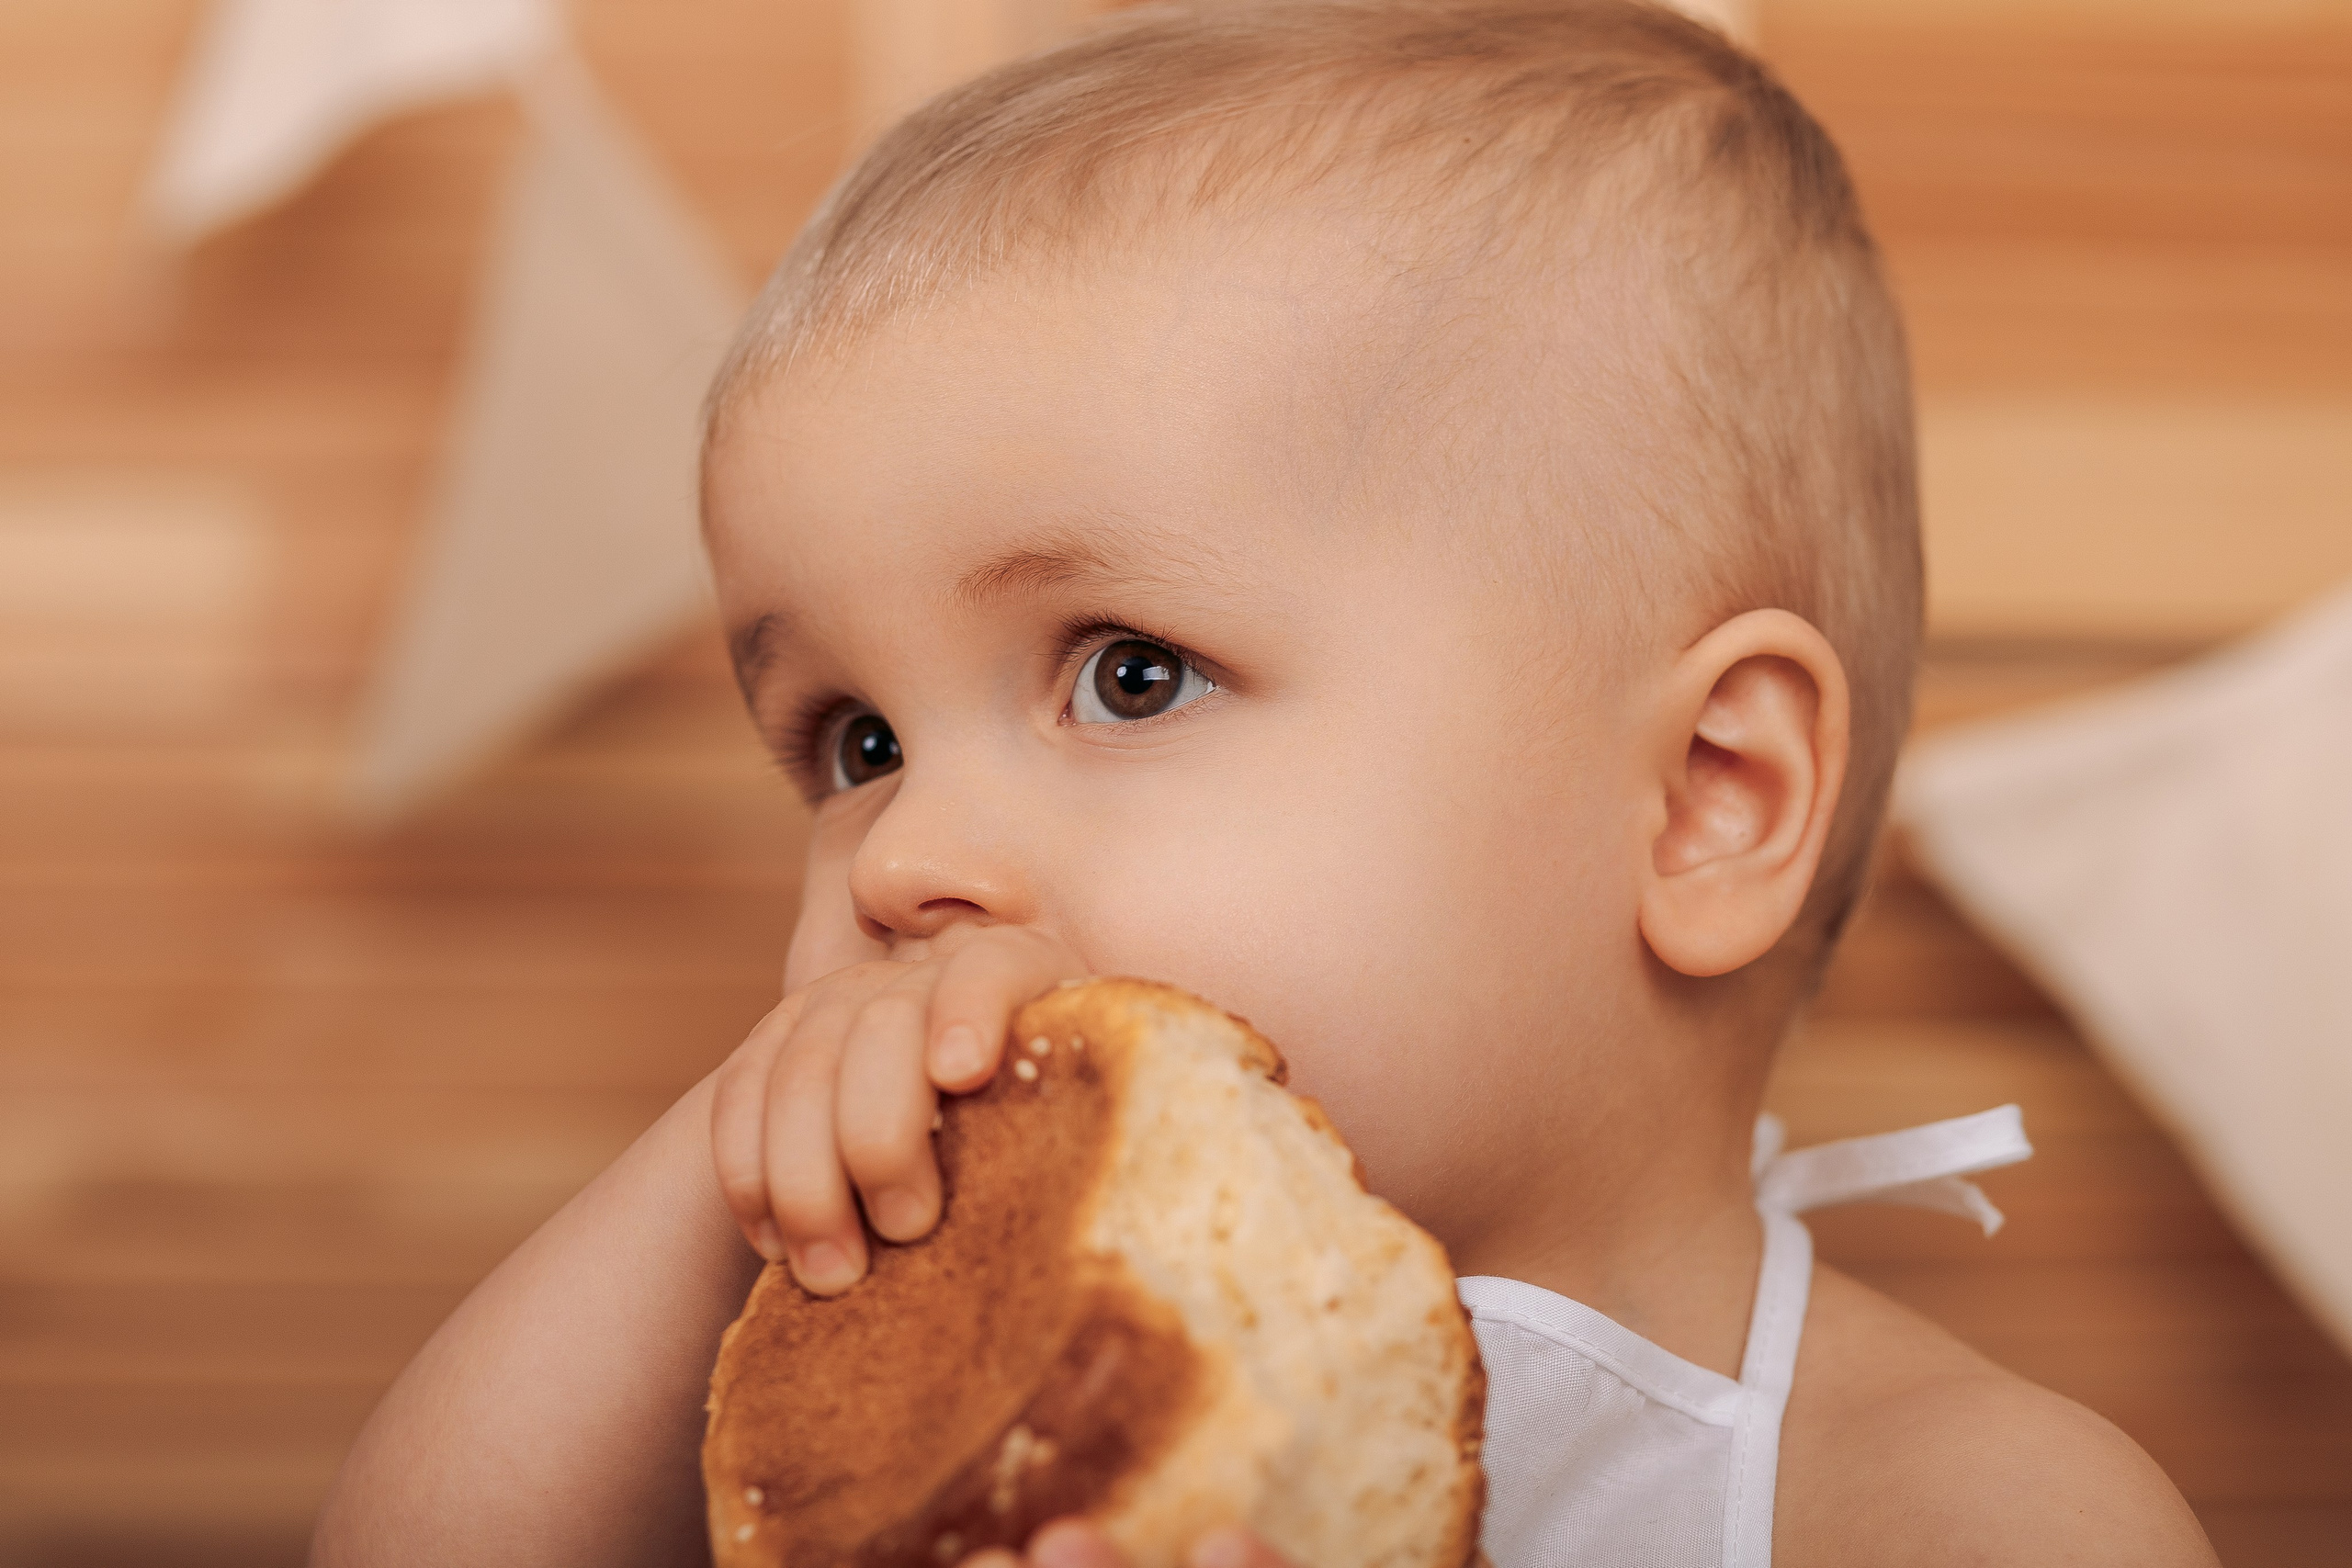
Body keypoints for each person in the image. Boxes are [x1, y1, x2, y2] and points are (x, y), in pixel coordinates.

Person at [311, 3, 2218, 1564]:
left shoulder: (1947, 1505)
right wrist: (724, 1175)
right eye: (852, 742)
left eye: (1126, 675)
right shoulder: (898, 1423)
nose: (898, 854)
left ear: (1702, 796)